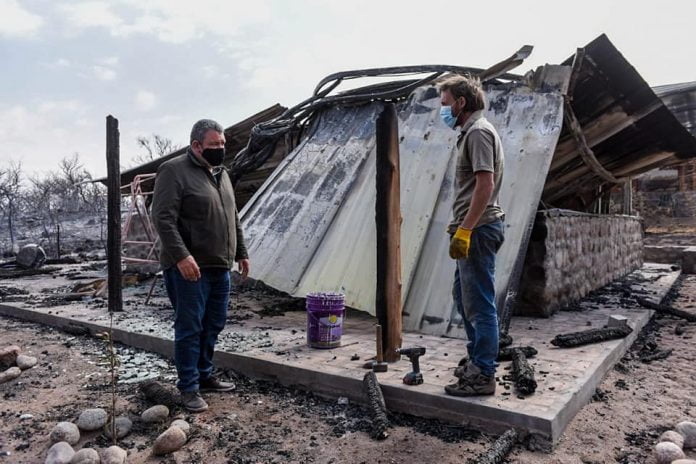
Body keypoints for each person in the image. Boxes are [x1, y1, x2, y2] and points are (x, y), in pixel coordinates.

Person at [152, 119, 250, 412]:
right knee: (190, 327)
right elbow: (163, 218)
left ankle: (204, 375)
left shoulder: (222, 174)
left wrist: (241, 252)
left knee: (214, 323)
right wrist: (181, 256)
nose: (220, 149)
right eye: (213, 145)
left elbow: (233, 217)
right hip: (189, 268)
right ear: (196, 145)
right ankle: (188, 387)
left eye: (222, 144)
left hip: (219, 266)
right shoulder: (174, 171)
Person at [439, 76, 505, 396]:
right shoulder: (471, 132)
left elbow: (485, 185)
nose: (443, 110)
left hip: (478, 229)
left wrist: (465, 229)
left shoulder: (477, 132)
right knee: (463, 297)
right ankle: (477, 360)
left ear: (461, 103)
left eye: (445, 103)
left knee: (479, 304)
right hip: (474, 228)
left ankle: (483, 373)